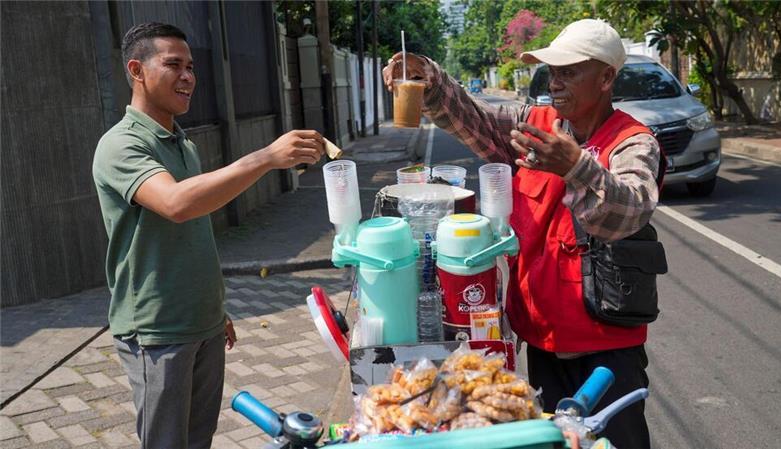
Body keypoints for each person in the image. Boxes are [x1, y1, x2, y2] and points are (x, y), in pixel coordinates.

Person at [384, 19, 662, 448]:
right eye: (552, 72)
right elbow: (473, 119)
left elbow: (632, 209)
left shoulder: (631, 141)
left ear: (606, 77)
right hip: (542, 340)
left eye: (569, 72)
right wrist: (430, 81)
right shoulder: (536, 123)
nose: (555, 82)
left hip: (607, 351)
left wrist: (576, 166)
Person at [92, 22, 324, 448]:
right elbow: (177, 204)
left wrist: (215, 308)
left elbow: (195, 225)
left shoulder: (183, 143)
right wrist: (265, 157)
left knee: (200, 439)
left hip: (201, 320)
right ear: (137, 70)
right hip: (157, 329)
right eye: (173, 65)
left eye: (191, 66)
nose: (188, 77)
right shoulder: (120, 145)